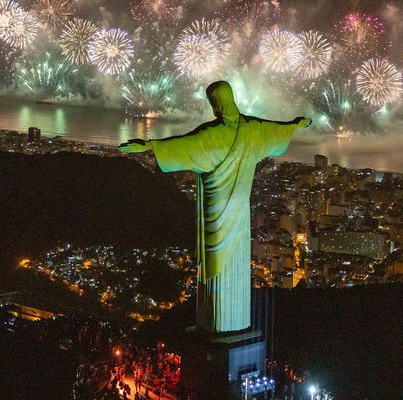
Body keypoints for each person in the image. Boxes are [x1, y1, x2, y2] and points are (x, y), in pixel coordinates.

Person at [120, 81, 311, 332]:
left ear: (216, 103)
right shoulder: (254, 129)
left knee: (215, 263)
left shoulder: (213, 135)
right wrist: (294, 125)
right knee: (235, 262)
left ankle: (217, 324)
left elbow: (182, 145)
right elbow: (276, 131)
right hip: (240, 213)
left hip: (215, 212)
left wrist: (149, 145)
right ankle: (234, 322)